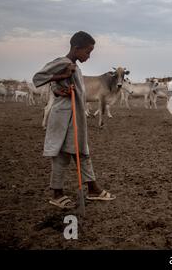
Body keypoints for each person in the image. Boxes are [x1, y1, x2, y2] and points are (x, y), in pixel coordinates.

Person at [33, 31, 115, 209]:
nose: (89, 56)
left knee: (82, 152)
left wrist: (57, 87)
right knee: (62, 154)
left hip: (76, 116)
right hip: (63, 117)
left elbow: (57, 86)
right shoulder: (63, 62)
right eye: (87, 52)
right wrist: (61, 76)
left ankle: (92, 189)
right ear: (76, 48)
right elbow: (38, 78)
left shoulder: (73, 66)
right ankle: (57, 193)